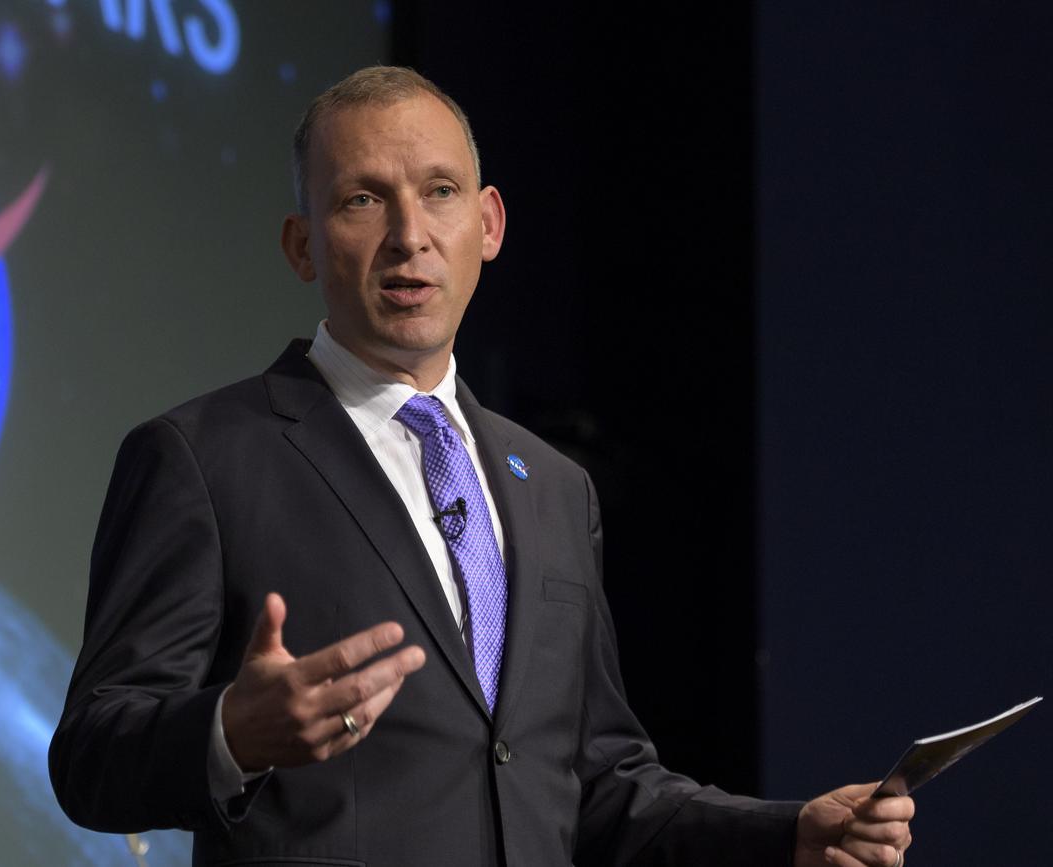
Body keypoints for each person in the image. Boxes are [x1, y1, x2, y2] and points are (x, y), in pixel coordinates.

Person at [49, 66, 915, 867]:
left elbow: (602, 783)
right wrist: (232, 731)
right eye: (361, 199)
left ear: (489, 222)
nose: (409, 236)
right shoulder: (201, 457)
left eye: (439, 193)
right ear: (302, 245)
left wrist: (789, 834)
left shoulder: (556, 487)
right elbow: (91, 755)